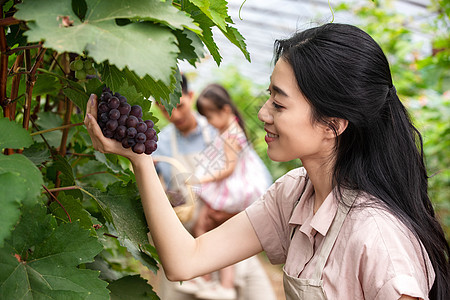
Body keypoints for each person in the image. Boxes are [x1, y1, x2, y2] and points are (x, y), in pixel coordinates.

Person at [84, 23, 449, 300]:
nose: (262, 113)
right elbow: (185, 260)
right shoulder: (294, 194)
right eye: (268, 96)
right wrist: (140, 160)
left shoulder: (378, 239)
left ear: (332, 125)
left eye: (279, 102)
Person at [151, 75, 277, 300]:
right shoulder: (160, 146)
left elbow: (258, 183)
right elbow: (167, 197)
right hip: (189, 243)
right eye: (164, 109)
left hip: (232, 236)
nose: (174, 115)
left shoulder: (218, 129)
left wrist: (228, 212)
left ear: (190, 96)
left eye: (179, 105)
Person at [185, 83, 272, 299]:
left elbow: (228, 169)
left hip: (231, 188)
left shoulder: (231, 134)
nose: (210, 123)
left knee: (207, 230)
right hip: (233, 186)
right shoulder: (230, 128)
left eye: (210, 116)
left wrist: (202, 178)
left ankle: (217, 282)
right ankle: (211, 281)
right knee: (207, 230)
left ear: (224, 110)